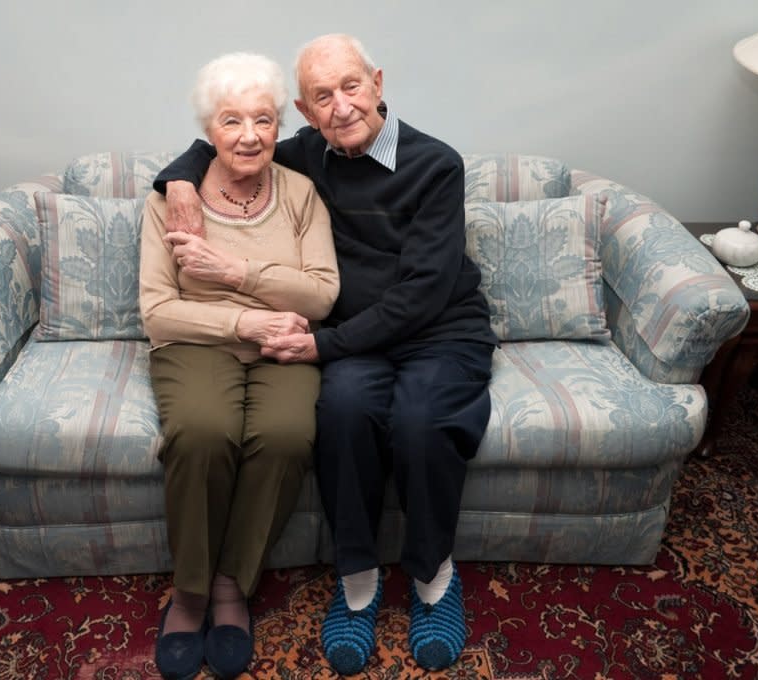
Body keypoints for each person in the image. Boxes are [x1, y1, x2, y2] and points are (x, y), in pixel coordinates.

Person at [154, 34, 497, 675]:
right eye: (321, 97)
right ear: (307, 114)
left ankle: (433, 581)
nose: (341, 107)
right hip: (357, 337)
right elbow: (233, 141)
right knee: (339, 410)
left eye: (351, 86)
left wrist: (322, 343)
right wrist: (177, 177)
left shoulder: (436, 165)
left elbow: (421, 296)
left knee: (422, 425)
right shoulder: (310, 153)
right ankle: (358, 584)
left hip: (438, 330)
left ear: (377, 82)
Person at [140, 51, 340, 680]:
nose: (249, 135)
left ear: (280, 125)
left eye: (263, 119)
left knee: (286, 435)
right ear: (208, 131)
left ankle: (231, 583)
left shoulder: (302, 192)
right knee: (202, 431)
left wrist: (242, 278)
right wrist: (245, 320)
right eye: (231, 121)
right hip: (198, 344)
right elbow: (158, 311)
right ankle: (191, 590)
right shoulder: (173, 201)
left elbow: (322, 295)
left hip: (285, 345)